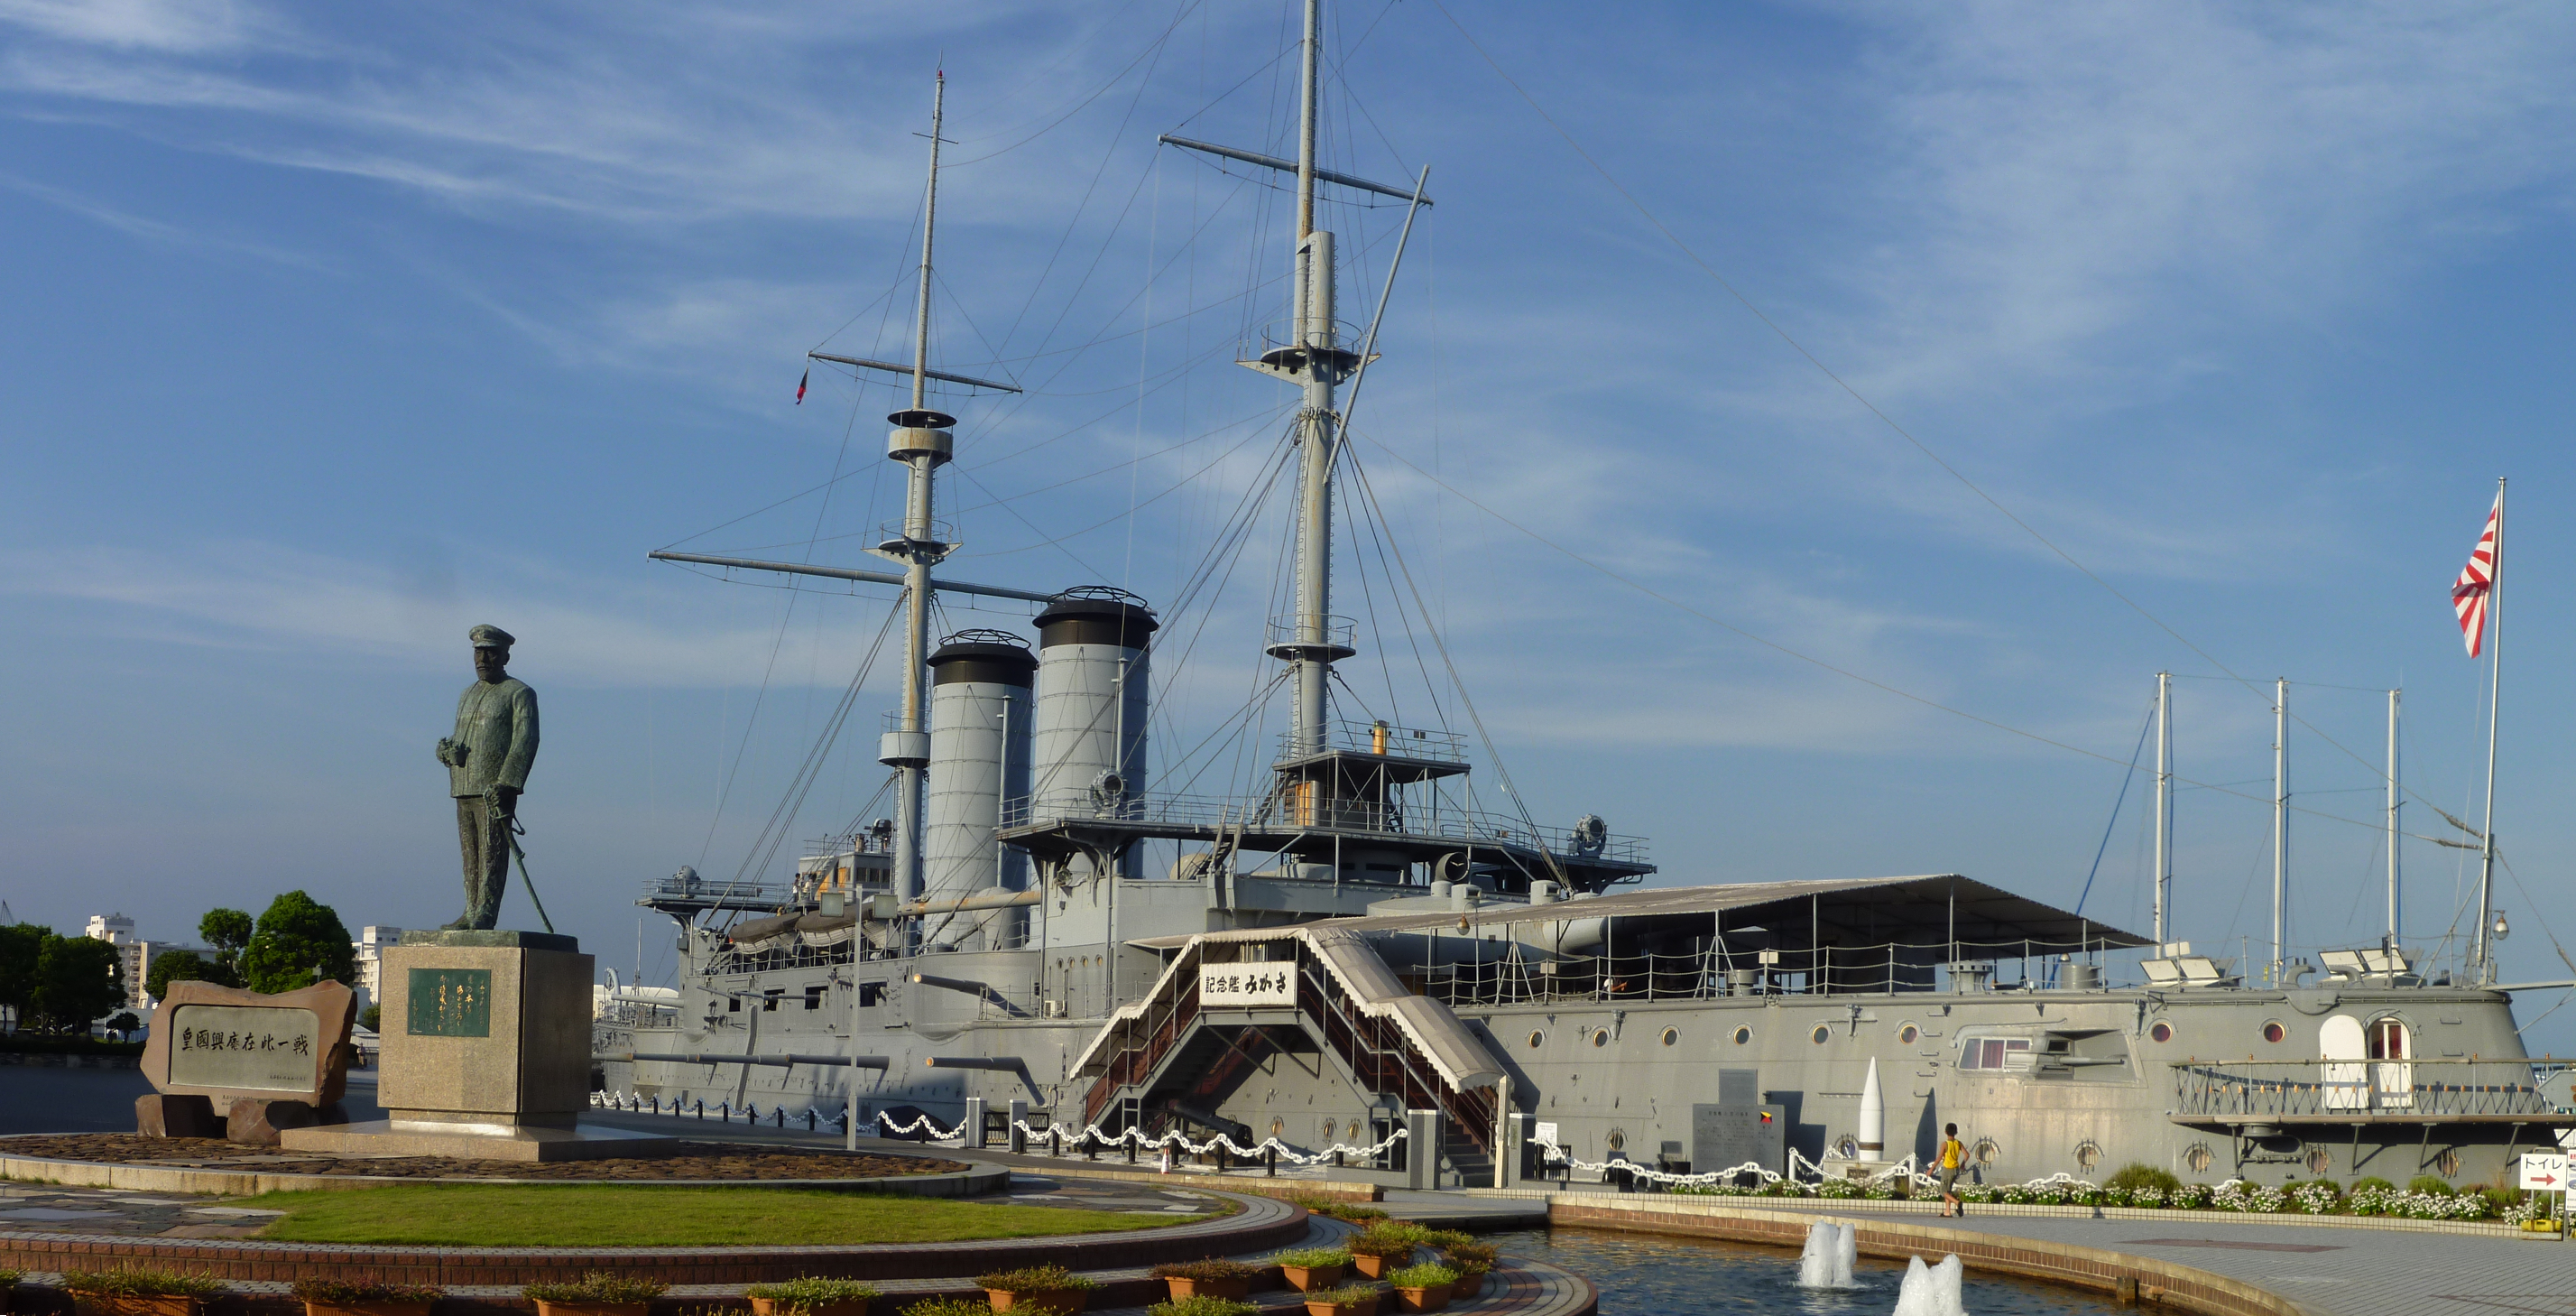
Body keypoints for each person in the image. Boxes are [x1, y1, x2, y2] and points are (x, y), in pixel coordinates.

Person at [436, 625, 539, 930]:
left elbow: (526, 740)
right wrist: (445, 752)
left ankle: (486, 911)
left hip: (494, 789)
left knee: (493, 852)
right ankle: (470, 909)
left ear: (505, 656)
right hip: (464, 785)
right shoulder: (467, 694)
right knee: (470, 855)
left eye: (491, 653)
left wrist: (508, 783)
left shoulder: (519, 693)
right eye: (479, 653)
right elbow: (461, 737)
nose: (483, 659)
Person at [1937, 1122, 1968, 1217]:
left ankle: (1957, 1202)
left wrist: (1931, 1169)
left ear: (1946, 1132)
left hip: (1948, 1169)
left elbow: (1939, 1158)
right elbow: (1967, 1155)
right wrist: (1962, 1164)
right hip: (1955, 1169)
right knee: (1948, 1190)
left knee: (1943, 1191)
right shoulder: (1958, 1143)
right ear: (1956, 1132)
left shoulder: (1945, 1144)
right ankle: (1947, 1211)